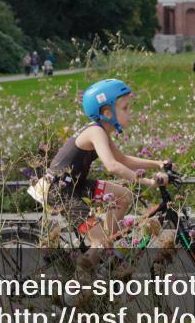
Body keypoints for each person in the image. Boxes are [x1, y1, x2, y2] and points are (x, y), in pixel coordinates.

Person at [44, 79, 170, 271]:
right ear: (107, 112)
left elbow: (123, 159)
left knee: (124, 197)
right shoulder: (96, 132)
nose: (130, 112)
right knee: (100, 241)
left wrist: (158, 163)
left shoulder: (102, 131)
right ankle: (76, 291)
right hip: (61, 190)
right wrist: (149, 182)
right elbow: (112, 166)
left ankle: (99, 250)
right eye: (125, 108)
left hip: (76, 184)